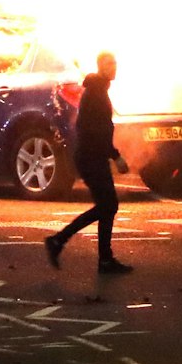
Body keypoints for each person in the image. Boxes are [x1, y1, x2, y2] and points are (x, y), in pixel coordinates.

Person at [45, 52, 133, 274]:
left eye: (115, 62)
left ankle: (102, 258)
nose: (113, 67)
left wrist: (110, 155)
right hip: (90, 157)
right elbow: (94, 130)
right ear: (100, 66)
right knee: (107, 206)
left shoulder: (99, 90)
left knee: (107, 206)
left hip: (94, 156)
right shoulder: (95, 92)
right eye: (108, 63)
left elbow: (100, 129)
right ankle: (59, 241)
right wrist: (115, 156)